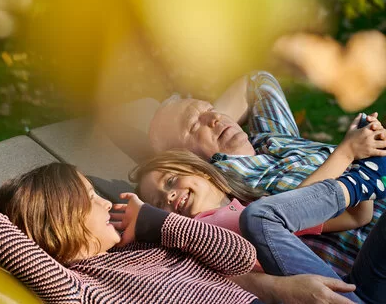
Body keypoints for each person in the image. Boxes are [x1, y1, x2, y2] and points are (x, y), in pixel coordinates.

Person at [0, 162, 357, 304]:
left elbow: (238, 255)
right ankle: (355, 184)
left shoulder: (146, 243)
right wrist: (30, 221)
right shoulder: (78, 287)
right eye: (88, 199)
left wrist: (155, 222)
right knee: (261, 217)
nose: (104, 202)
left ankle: (365, 179)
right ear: (57, 221)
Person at [148, 70, 386, 276]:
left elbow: (257, 81)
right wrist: (349, 153)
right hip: (369, 253)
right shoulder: (232, 183)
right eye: (193, 125)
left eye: (211, 109)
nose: (215, 118)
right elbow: (299, 208)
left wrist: (211, 120)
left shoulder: (268, 139)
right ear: (185, 161)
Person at [130, 149, 386, 303]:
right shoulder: (190, 235)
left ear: (201, 171)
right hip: (310, 296)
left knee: (259, 214)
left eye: (171, 181)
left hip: (351, 290)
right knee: (257, 217)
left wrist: (365, 156)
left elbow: (356, 217)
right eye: (157, 203)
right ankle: (363, 179)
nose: (169, 197)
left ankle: (366, 174)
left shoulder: (255, 208)